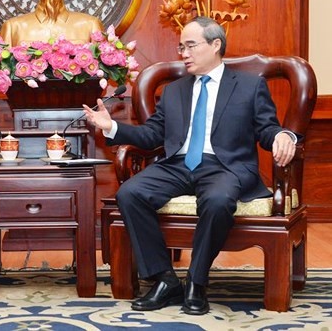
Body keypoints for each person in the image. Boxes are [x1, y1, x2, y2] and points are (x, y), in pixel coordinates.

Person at [83, 16, 297, 315]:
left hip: (225, 166)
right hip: (179, 165)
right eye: (180, 47)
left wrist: (283, 135)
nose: (183, 53)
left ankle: (197, 281)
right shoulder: (175, 90)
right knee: (130, 193)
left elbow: (267, 129)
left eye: (190, 46)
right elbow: (152, 135)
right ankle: (164, 279)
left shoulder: (249, 86)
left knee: (219, 199)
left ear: (215, 45)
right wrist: (112, 127)